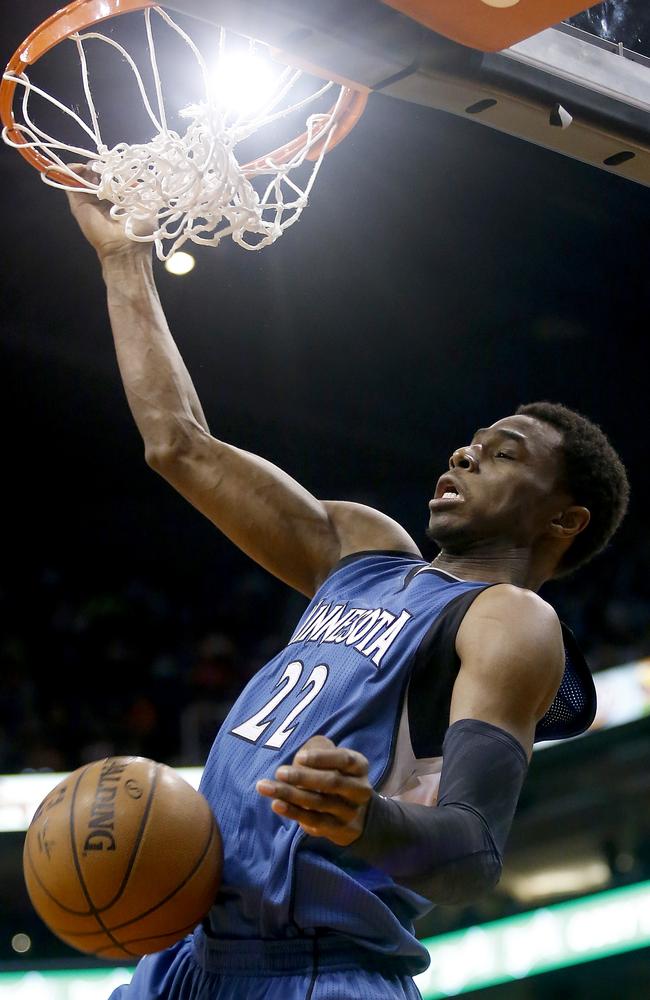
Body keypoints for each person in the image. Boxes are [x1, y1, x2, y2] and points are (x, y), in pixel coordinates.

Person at [65, 179, 629, 1000]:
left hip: (321, 971)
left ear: (564, 520)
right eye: (470, 444)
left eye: (503, 453)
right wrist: (124, 261)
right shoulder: (361, 551)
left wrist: (368, 820)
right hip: (190, 960)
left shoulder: (509, 621)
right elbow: (177, 445)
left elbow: (472, 853)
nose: (466, 456)